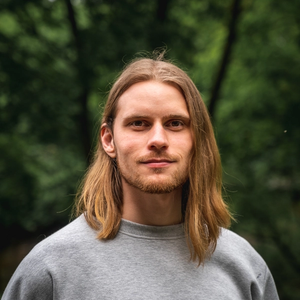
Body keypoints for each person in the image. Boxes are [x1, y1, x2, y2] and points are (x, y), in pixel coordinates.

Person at [2, 54, 279, 300]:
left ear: (197, 139)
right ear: (109, 140)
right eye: (139, 124)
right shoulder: (51, 267)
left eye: (175, 123)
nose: (158, 139)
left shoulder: (245, 267)